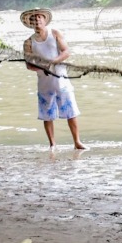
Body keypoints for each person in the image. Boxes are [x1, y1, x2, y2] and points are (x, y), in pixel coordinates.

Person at [22, 9, 86, 150]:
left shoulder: (55, 33)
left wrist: (52, 62)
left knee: (71, 112)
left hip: (61, 80)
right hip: (44, 83)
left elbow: (66, 52)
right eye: (34, 19)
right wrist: (41, 67)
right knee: (47, 115)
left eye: (39, 17)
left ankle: (77, 142)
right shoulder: (28, 42)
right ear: (30, 23)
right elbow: (28, 64)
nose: (37, 20)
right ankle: (52, 144)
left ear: (45, 20)